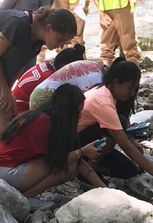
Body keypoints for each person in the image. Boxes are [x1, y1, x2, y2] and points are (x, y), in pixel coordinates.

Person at [0, 84, 106, 212]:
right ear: (68, 109)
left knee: (72, 163)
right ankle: (26, 197)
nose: (79, 116)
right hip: (7, 170)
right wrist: (83, 151)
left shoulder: (46, 117)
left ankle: (28, 195)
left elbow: (78, 162)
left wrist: (106, 190)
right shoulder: (43, 121)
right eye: (77, 111)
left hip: (10, 168)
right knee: (66, 167)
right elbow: (57, 161)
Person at [78, 57, 153, 196]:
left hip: (89, 140)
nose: (131, 94)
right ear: (116, 83)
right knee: (120, 123)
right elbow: (126, 147)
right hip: (75, 142)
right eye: (129, 88)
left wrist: (133, 141)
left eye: (134, 89)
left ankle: (91, 168)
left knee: (129, 170)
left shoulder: (106, 93)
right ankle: (85, 173)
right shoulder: (102, 102)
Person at [0, 6, 77, 132]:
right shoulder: (18, 24)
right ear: (48, 28)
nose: (61, 46)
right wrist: (4, 89)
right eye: (60, 39)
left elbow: (20, 63)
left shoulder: (39, 40)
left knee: (6, 109)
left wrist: (8, 91)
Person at [12, 43, 85, 115]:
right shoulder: (51, 79)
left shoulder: (47, 64)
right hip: (19, 112)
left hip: (16, 104)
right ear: (66, 67)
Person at [29, 60, 105, 110]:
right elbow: (86, 104)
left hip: (39, 94)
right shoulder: (96, 79)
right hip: (45, 99)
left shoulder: (95, 66)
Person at [91, 0, 141, 66]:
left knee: (107, 46)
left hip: (105, 9)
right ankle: (132, 68)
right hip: (123, 8)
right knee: (129, 44)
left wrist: (102, 13)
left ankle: (106, 68)